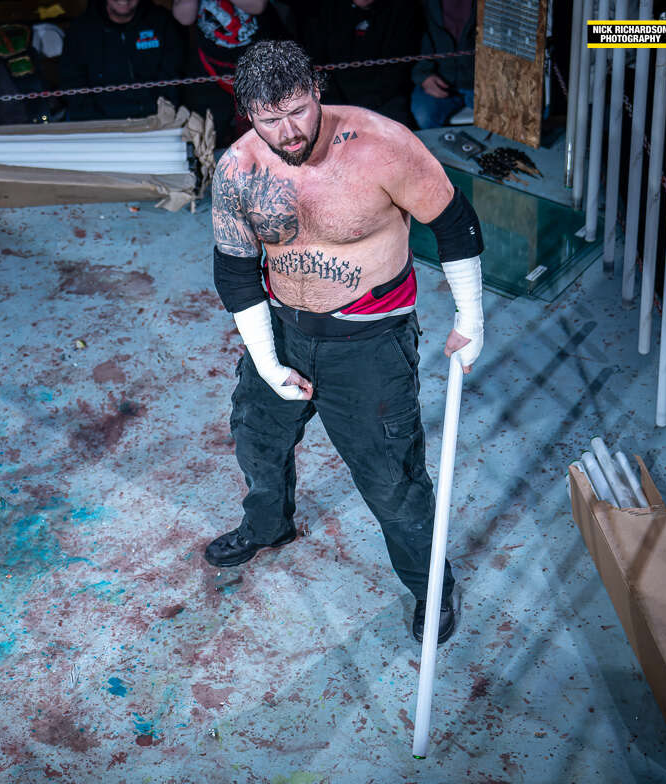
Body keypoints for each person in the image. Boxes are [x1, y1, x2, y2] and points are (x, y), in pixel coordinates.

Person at [207, 40, 485, 643]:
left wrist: (472, 318)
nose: (288, 131)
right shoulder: (238, 169)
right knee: (257, 441)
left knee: (392, 480)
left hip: (369, 342)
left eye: (297, 111)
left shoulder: (382, 145)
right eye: (269, 119)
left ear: (317, 90)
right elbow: (234, 271)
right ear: (247, 112)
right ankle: (269, 526)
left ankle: (431, 588)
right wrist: (267, 361)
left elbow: (454, 222)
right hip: (282, 328)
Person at [58, 0, 186, 121]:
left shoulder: (162, 22)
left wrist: (162, 116)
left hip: (157, 122)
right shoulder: (80, 30)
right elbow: (72, 83)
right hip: (100, 126)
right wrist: (98, 123)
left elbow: (173, 77)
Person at [302, 0, 421, 129]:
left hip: (385, 99)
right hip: (337, 101)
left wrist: (365, 109)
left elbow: (397, 71)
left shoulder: (402, 10)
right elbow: (317, 65)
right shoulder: (323, 11)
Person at [172, 0, 275, 146]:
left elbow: (257, 6)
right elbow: (184, 17)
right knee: (211, 135)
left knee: (269, 131)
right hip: (211, 68)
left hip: (261, 65)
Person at [409, 0, 475, 129]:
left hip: (481, 84)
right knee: (423, 116)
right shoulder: (425, 4)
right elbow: (414, 38)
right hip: (439, 80)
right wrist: (423, 76)